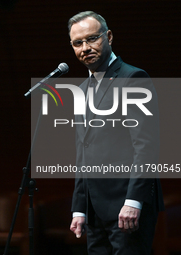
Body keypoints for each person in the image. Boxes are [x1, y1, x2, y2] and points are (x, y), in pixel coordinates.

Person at [68, 11, 164, 255]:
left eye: (92, 39)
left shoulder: (133, 78)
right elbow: (83, 151)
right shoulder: (81, 89)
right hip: (95, 211)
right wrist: (79, 208)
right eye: (78, 43)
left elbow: (146, 145)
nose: (85, 48)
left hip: (128, 206)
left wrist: (133, 201)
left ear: (109, 36)